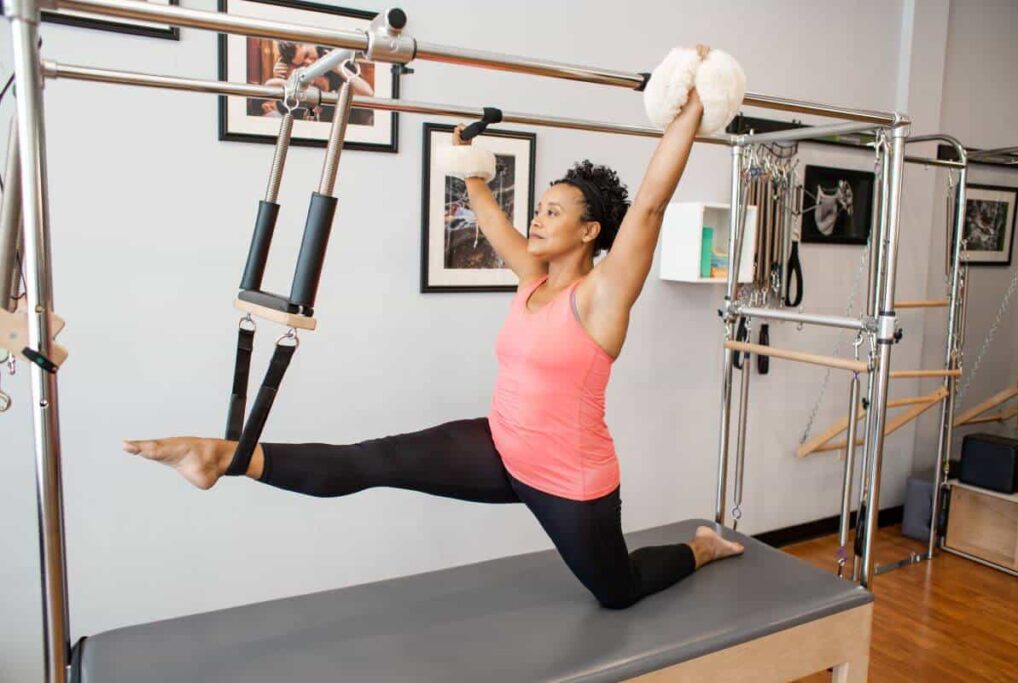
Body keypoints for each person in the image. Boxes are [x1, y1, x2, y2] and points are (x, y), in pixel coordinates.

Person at [123, 83, 743, 610]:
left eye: (555, 212)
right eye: (540, 207)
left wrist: (691, 106)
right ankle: (222, 456)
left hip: (568, 480)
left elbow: (653, 205)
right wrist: (465, 155)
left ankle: (701, 547)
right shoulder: (532, 280)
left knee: (618, 590)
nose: (538, 218)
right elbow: (484, 206)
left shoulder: (601, 297)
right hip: (500, 445)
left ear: (590, 231)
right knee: (372, 461)